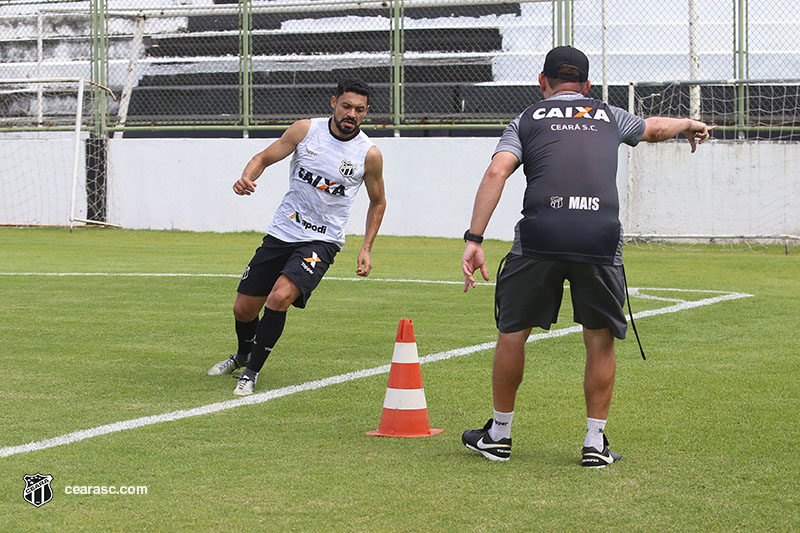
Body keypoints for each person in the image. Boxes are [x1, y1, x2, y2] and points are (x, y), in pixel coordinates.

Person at [460, 46, 714, 466]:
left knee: (513, 332)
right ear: (587, 86)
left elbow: (496, 171)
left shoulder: (526, 118)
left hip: (541, 234)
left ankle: (499, 436)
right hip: (598, 236)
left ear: (543, 83)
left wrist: (474, 237)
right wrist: (687, 122)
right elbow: (653, 128)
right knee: (599, 340)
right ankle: (594, 443)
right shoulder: (609, 115)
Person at [207, 78, 386, 396]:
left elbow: (378, 201)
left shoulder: (368, 155)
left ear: (366, 112)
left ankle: (251, 371)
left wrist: (366, 248)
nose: (351, 114)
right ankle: (243, 354)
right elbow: (263, 158)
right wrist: (246, 177)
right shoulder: (305, 130)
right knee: (243, 310)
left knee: (279, 298)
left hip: (322, 240)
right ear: (334, 102)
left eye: (359, 110)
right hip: (282, 232)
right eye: (346, 106)